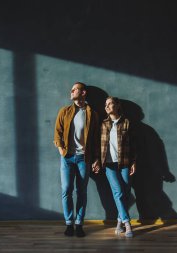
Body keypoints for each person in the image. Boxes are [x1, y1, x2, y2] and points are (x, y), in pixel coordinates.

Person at [53, 82, 100, 237]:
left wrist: (96, 159)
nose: (71, 91)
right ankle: (69, 224)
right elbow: (57, 133)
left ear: (83, 92)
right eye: (71, 89)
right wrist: (61, 150)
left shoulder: (92, 113)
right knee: (66, 189)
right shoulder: (64, 111)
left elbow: (95, 139)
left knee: (81, 191)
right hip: (66, 158)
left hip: (83, 158)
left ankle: (79, 224)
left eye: (74, 89)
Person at [93, 96, 136, 238]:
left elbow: (135, 146)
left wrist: (134, 162)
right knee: (118, 192)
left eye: (111, 103)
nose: (108, 106)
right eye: (106, 104)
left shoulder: (127, 123)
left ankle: (119, 223)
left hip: (124, 163)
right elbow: (98, 146)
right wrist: (97, 161)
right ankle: (128, 224)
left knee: (125, 193)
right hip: (109, 165)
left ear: (117, 106)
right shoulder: (103, 124)